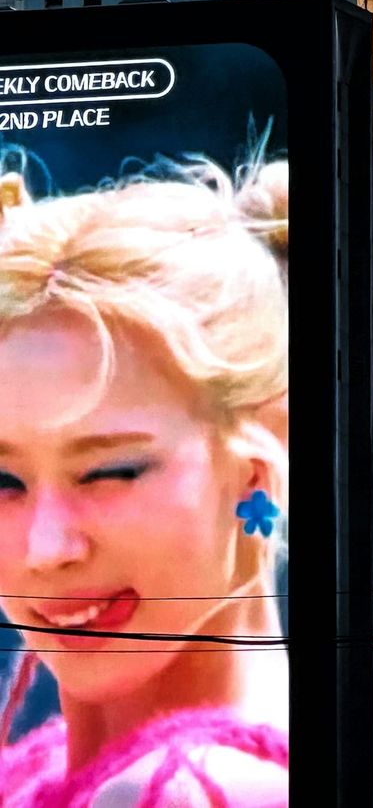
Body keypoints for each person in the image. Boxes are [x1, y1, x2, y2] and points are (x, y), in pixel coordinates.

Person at [0, 153, 290, 805]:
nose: (48, 549)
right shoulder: (45, 770)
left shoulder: (189, 791)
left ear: (255, 468)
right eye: (3, 483)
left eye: (110, 472)